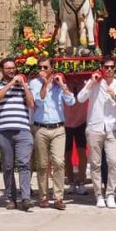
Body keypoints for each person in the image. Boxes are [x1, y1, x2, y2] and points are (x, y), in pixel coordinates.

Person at [29, 57, 76, 210]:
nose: (42, 70)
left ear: (52, 69)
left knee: (59, 162)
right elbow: (39, 102)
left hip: (58, 129)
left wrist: (62, 85)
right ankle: (43, 197)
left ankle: (58, 197)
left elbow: (71, 101)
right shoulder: (35, 83)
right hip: (40, 128)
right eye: (40, 67)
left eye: (45, 67)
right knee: (42, 165)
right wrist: (45, 84)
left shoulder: (58, 84)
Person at [77, 56, 116, 208]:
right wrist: (91, 82)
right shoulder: (95, 84)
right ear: (102, 68)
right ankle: (99, 195)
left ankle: (110, 193)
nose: (109, 70)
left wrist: (114, 97)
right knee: (95, 163)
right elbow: (80, 98)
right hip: (94, 127)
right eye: (106, 67)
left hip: (112, 127)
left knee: (113, 161)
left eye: (112, 67)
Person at [0, 57, 35, 211]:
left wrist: (24, 85)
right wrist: (10, 84)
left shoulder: (23, 86)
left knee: (24, 164)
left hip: (23, 130)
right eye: (8, 68)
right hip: (4, 131)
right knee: (8, 166)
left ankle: (26, 198)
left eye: (13, 68)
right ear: (2, 70)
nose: (11, 70)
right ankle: (11, 197)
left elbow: (31, 103)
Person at [64, 85, 89, 196]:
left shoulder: (84, 80)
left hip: (81, 120)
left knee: (82, 152)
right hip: (65, 121)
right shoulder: (62, 80)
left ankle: (82, 181)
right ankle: (71, 182)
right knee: (67, 154)